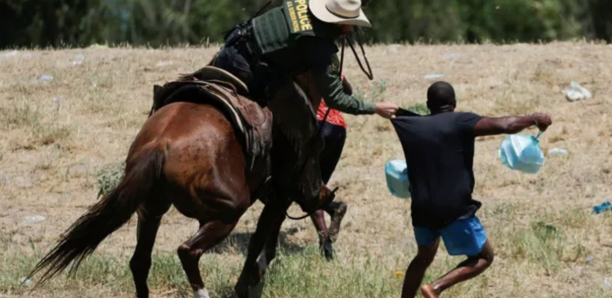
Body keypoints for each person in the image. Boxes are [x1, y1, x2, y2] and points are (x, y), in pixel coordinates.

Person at [210, 0, 399, 210]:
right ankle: (269, 183)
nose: (351, 28)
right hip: (249, 67)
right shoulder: (318, 46)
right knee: (303, 129)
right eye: (349, 23)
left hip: (233, 45)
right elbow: (336, 98)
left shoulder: (304, 2)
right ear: (339, 24)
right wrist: (375, 107)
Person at [390, 81, 552, 298]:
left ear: (428, 104)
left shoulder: (410, 125)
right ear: (454, 103)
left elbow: (400, 115)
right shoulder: (460, 121)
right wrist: (535, 119)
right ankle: (434, 288)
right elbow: (505, 124)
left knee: (424, 256)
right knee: (485, 257)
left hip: (421, 207)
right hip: (454, 208)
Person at [308, 72, 351, 260]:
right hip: (338, 128)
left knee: (310, 188)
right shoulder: (330, 67)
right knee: (317, 187)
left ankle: (333, 208)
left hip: (316, 125)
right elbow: (348, 91)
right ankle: (326, 249)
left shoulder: (301, 64)